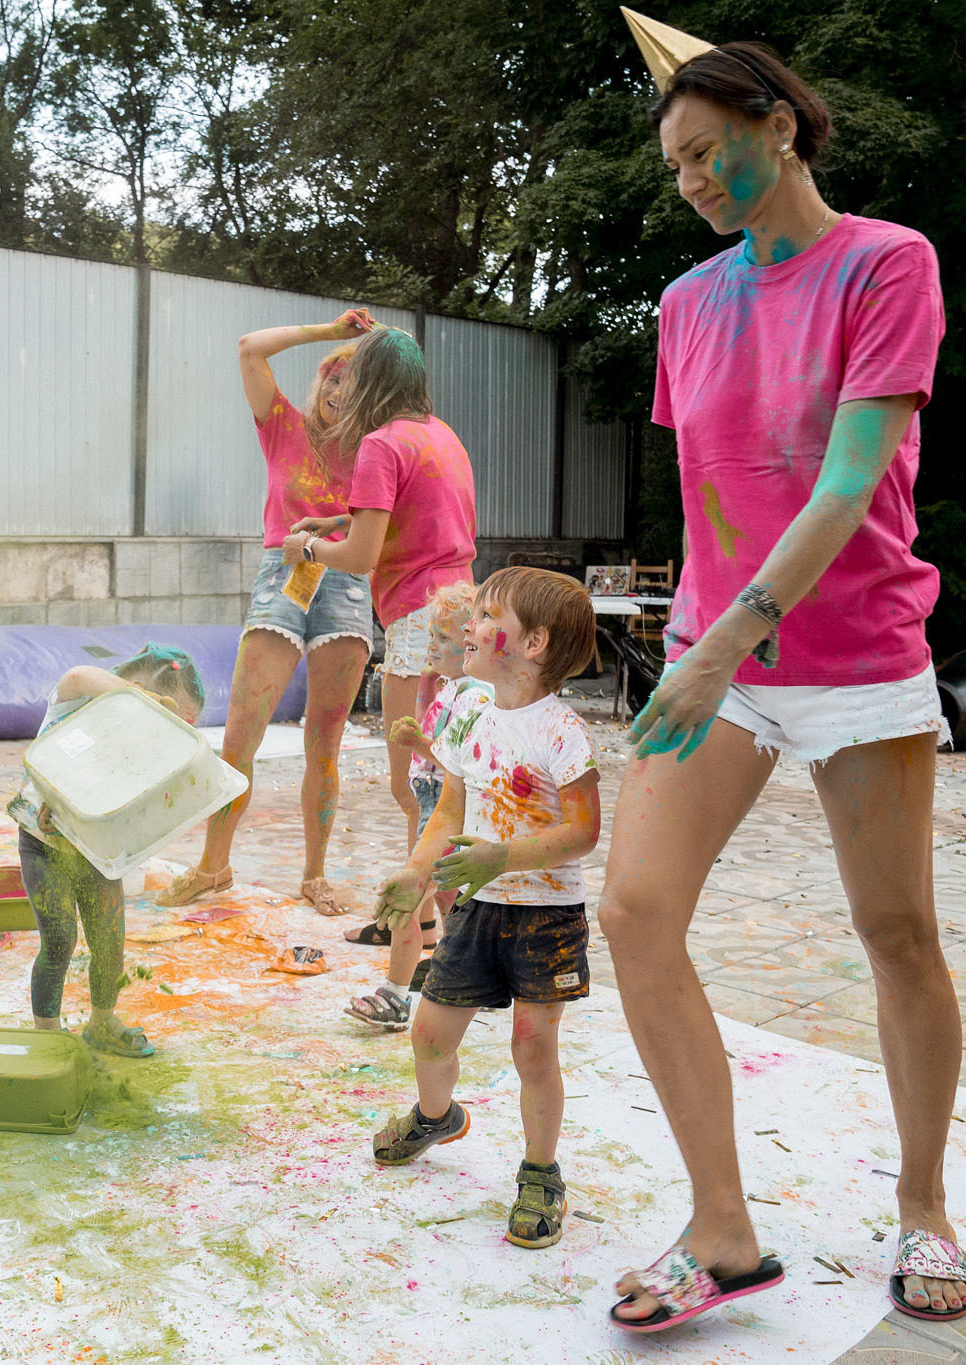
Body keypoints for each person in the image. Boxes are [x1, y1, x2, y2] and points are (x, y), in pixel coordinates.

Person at [599, 24, 966, 1333]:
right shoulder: (687, 303)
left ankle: (924, 1205)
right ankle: (723, 1230)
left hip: (853, 646)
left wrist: (719, 639)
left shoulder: (886, 264)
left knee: (898, 934)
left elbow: (844, 482)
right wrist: (695, 627)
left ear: (781, 127)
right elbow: (710, 483)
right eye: (679, 165)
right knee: (636, 912)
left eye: (709, 152)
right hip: (724, 659)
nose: (693, 179)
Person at [365, 568, 600, 1251]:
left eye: (487, 614)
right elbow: (449, 811)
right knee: (430, 1033)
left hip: (545, 917)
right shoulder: (472, 715)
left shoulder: (563, 733)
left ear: (532, 643)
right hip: (476, 906)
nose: (469, 624)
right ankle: (436, 1115)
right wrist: (414, 873)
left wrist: (502, 857)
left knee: (533, 1046)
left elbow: (583, 832)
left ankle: (540, 1169)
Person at [157, 310, 379, 916]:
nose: (338, 391)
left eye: (352, 384)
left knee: (324, 744)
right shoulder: (283, 424)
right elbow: (249, 347)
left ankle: (314, 875)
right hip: (283, 577)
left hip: (347, 582)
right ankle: (213, 867)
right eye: (332, 379)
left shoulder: (374, 452)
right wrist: (331, 335)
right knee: (241, 737)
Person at [279, 330, 478, 858]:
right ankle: (436, 918)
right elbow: (414, 507)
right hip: (462, 615)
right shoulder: (441, 435)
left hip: (417, 622)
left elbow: (362, 558)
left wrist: (307, 548)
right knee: (445, 775)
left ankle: (418, 922)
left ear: (371, 380)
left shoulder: (379, 443)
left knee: (413, 784)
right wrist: (339, 518)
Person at [8, 645, 207, 1059]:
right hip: (45, 845)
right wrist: (144, 703)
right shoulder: (77, 702)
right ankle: (48, 1032)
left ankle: (101, 1022)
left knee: (109, 938)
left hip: (96, 852)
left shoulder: (141, 744)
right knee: (60, 938)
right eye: (170, 719)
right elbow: (78, 674)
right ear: (133, 692)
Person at [345, 579, 489, 1027]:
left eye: (443, 638)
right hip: (437, 805)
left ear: (471, 644)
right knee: (449, 900)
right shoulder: (450, 689)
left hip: (450, 810)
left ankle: (394, 996)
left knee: (410, 900)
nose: (432, 644)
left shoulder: (474, 696)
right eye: (432, 635)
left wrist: (416, 743)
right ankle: (466, 972)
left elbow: (456, 762)